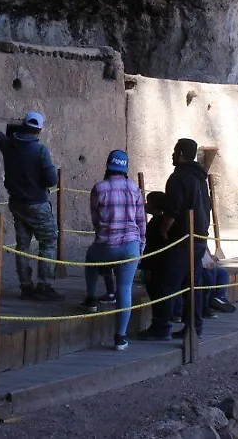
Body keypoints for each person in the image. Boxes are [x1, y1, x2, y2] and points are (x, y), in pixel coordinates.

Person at [0, 111, 62, 301]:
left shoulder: (10, 145)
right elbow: (52, 180)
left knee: (22, 245)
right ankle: (44, 285)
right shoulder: (40, 151)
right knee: (48, 242)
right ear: (39, 129)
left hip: (17, 204)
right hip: (37, 204)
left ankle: (26, 286)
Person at [138, 138, 212, 341]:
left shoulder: (179, 177)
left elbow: (173, 207)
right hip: (199, 237)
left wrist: (164, 228)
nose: (172, 155)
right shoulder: (200, 178)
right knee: (192, 286)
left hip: (181, 238)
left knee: (166, 284)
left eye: (174, 151)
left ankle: (161, 327)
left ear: (180, 153)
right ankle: (194, 326)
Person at [78, 150, 145, 351]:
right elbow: (141, 221)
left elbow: (95, 219)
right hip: (130, 245)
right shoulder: (134, 188)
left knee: (91, 259)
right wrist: (141, 247)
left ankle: (91, 298)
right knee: (124, 289)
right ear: (125, 168)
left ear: (108, 165)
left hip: (106, 244)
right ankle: (120, 337)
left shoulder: (99, 188)